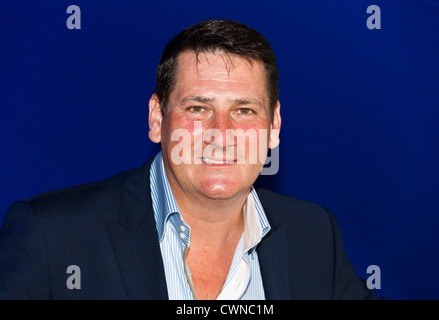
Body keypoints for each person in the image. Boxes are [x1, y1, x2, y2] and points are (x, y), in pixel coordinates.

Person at [0, 19, 379, 300]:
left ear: (273, 126)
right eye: (198, 108)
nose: (221, 133)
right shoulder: (50, 239)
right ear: (156, 119)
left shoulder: (314, 235)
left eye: (245, 110)